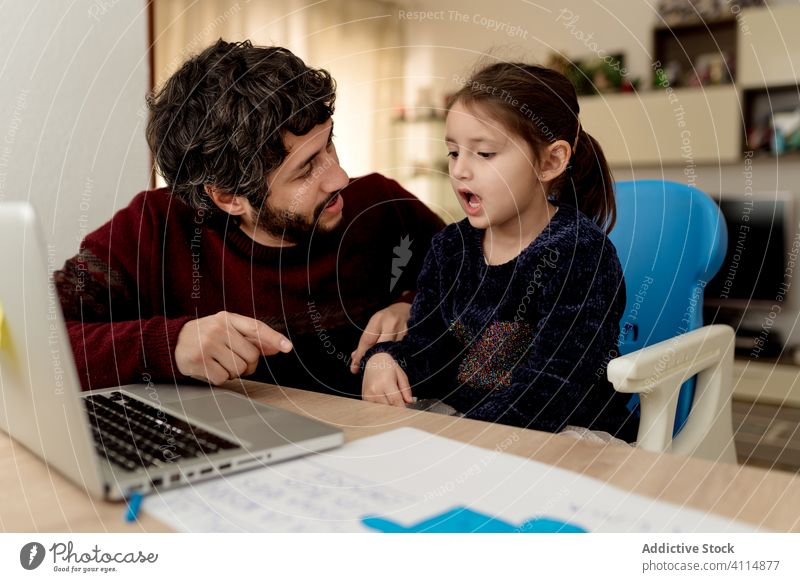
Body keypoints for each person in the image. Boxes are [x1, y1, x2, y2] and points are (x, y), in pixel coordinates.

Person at [54, 39, 444, 397]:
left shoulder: (381, 207)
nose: (339, 177)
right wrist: (170, 345)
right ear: (228, 198)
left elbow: (483, 287)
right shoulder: (154, 228)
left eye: (330, 145)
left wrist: (413, 306)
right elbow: (35, 339)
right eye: (306, 169)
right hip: (217, 458)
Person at [361, 62, 638, 441]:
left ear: (550, 161)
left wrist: (468, 437)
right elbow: (428, 349)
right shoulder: (449, 248)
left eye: (484, 153)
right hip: (467, 421)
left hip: (568, 428)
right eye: (453, 153)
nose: (459, 171)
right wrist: (387, 359)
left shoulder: (579, 253)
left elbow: (555, 387)